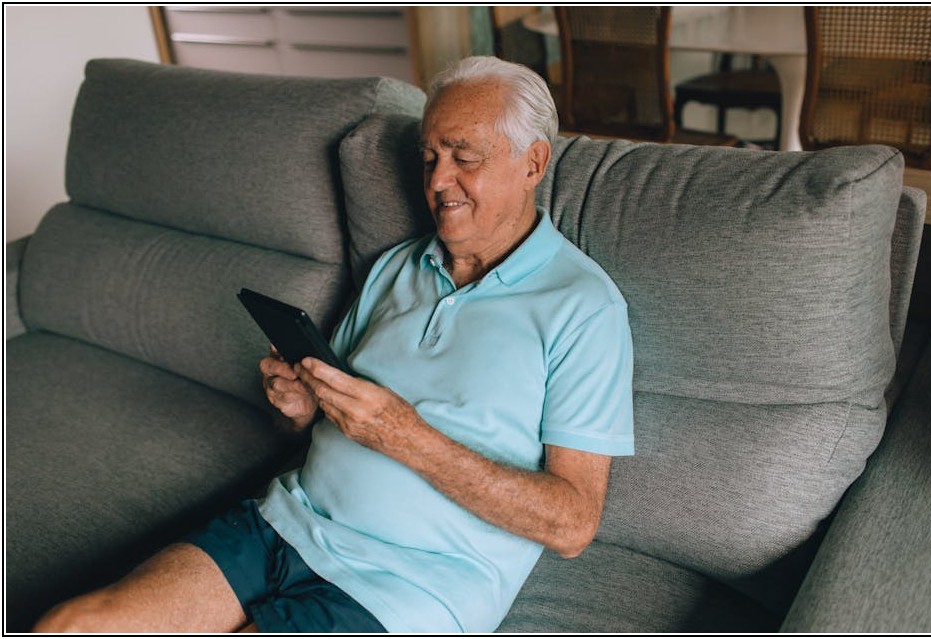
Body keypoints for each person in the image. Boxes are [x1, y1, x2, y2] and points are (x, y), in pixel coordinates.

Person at [33, 55, 634, 634]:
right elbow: (329, 411)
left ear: (533, 163)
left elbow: (573, 523)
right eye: (428, 158)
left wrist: (407, 437)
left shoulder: (583, 308)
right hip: (284, 523)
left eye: (464, 158)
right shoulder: (399, 266)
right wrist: (301, 408)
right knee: (70, 625)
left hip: (411, 584)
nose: (438, 181)